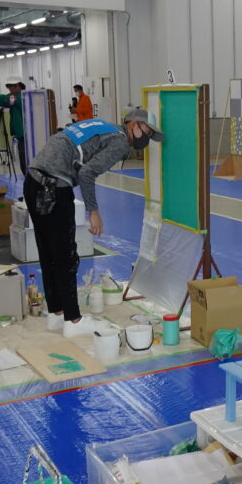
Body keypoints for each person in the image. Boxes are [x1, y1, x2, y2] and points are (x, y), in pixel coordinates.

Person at [24, 110, 163, 338]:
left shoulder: (102, 126)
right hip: (54, 189)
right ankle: (73, 320)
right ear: (133, 125)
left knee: (48, 252)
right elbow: (87, 173)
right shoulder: (120, 142)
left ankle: (57, 314)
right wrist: (94, 212)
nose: (146, 138)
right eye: (146, 132)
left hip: (33, 182)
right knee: (66, 257)